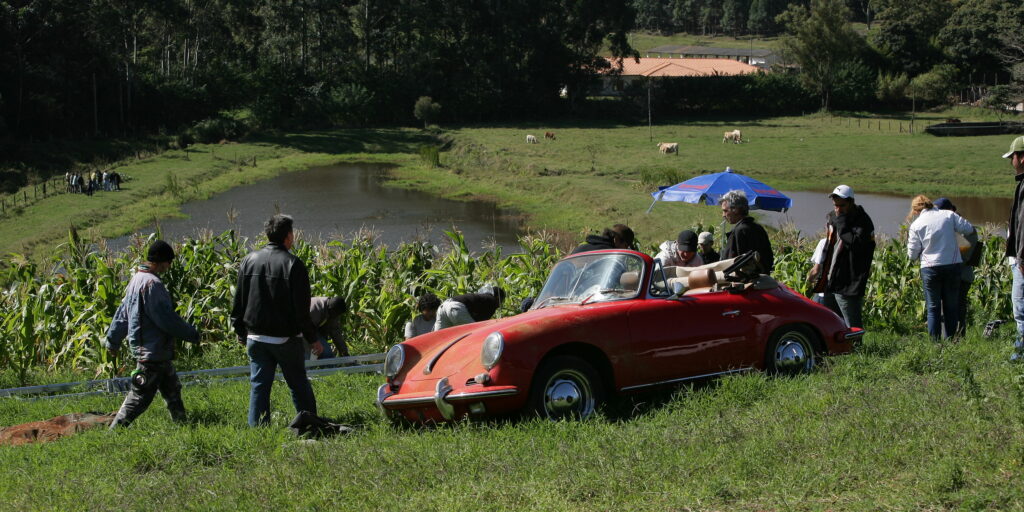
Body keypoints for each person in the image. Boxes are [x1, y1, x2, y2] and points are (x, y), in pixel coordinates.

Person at [232, 214, 322, 427]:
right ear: (289, 236)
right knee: (298, 383)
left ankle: (258, 430)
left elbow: (238, 301)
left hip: (255, 337)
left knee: (259, 386)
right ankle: (309, 425)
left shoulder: (249, 260)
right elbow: (302, 311)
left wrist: (240, 331)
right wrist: (313, 339)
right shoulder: (293, 264)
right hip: (285, 339)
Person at [104, 240, 200, 428]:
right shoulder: (152, 284)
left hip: (156, 351)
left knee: (172, 389)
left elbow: (122, 314)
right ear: (162, 261)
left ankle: (183, 426)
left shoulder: (136, 279)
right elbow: (166, 319)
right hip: (151, 351)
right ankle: (114, 431)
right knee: (140, 396)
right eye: (169, 262)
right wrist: (192, 334)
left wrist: (112, 341)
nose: (169, 266)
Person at [907, 195, 977, 340]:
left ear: (915, 211)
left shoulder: (916, 224)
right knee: (951, 307)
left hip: (930, 268)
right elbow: (969, 229)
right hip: (952, 266)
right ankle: (951, 341)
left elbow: (912, 255)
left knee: (933, 309)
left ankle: (935, 343)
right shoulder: (949, 215)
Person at [820, 185, 875, 329]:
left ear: (851, 202)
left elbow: (854, 244)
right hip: (831, 278)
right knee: (828, 319)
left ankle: (857, 349)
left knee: (852, 323)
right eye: (835, 205)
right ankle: (837, 349)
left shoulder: (862, 221)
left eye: (842, 205)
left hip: (848, 280)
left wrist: (841, 222)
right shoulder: (834, 217)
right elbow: (829, 245)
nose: (838, 209)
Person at [935, 198, 982, 336]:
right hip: (955, 274)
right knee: (950, 308)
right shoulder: (956, 225)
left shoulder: (964, 228)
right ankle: (950, 339)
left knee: (957, 308)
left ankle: (958, 338)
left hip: (961, 275)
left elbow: (965, 255)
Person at [719, 190, 774, 274]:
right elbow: (769, 258)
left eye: (725, 211)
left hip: (745, 283)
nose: (723, 215)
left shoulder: (739, 231)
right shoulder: (758, 228)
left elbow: (732, 263)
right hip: (762, 279)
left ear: (736, 210)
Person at [1004, 136, 1024, 359]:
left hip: (1022, 260)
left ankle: (1020, 355)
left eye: (1013, 157)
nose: (1011, 162)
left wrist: (1021, 259)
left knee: (1021, 309)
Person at [434, 286, 506, 331]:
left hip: (443, 306)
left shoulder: (483, 298)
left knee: (439, 338)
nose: (500, 304)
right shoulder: (492, 301)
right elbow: (481, 323)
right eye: (501, 301)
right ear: (498, 298)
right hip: (455, 308)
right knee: (475, 333)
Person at [571, 224, 636, 254]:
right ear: (616, 240)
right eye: (626, 246)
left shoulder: (581, 247)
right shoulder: (611, 255)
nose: (626, 250)